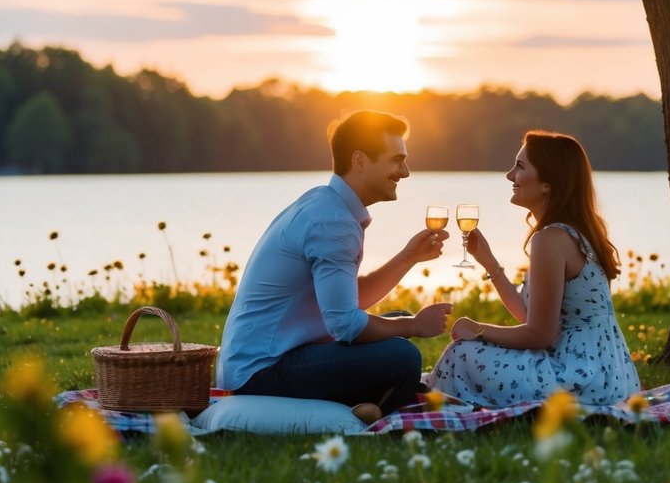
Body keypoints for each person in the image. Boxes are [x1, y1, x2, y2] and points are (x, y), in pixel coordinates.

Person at [216, 109, 453, 416]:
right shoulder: (332, 221)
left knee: (397, 321)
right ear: (360, 161)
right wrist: (413, 326)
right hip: (261, 373)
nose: (405, 172)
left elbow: (349, 303)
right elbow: (345, 326)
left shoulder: (327, 205)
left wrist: (409, 257)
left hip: (275, 358)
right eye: (396, 160)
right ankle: (371, 407)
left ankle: (368, 402)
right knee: (402, 354)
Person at [428, 130, 640, 407]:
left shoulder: (550, 239)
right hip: (613, 377)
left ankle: (433, 400)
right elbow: (532, 317)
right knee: (472, 352)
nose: (509, 176)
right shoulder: (578, 232)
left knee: (464, 354)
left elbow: (539, 335)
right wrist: (489, 263)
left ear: (548, 184)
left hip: (579, 380)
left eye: (520, 166)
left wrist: (478, 329)